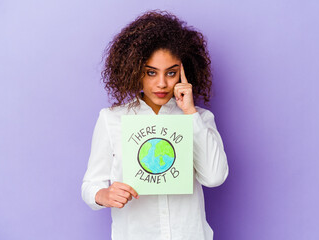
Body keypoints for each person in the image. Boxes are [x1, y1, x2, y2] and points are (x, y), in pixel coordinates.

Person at [81, 10, 229, 240]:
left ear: (184, 72)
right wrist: (103, 194)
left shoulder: (199, 118)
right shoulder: (112, 119)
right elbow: (90, 185)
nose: (161, 84)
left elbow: (214, 177)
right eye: (151, 72)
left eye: (171, 73)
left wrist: (190, 113)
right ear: (134, 70)